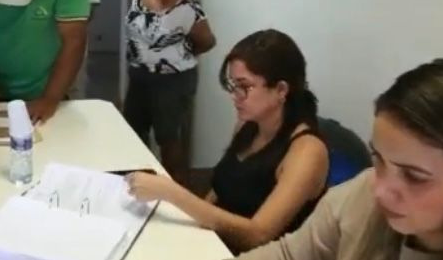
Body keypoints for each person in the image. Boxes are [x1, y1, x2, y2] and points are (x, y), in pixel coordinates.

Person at [236, 59, 443, 260]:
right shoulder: (360, 195)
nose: (379, 190)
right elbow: (288, 254)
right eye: (378, 159)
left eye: (414, 176)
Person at [127, 29, 329, 254]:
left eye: (245, 87)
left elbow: (259, 235)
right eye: (233, 85)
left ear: (281, 90)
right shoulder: (248, 124)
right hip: (216, 244)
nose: (235, 96)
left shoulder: (307, 151)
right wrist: (191, 231)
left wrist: (171, 192)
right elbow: (220, 189)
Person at [123, 0, 216, 183]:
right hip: (139, 76)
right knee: (133, 131)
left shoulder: (188, 8)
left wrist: (177, 56)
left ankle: (174, 189)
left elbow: (207, 41)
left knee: (169, 137)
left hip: (173, 81)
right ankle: (139, 183)